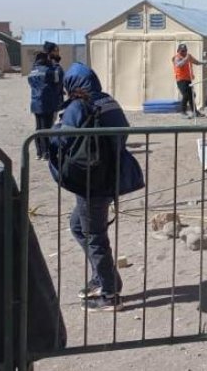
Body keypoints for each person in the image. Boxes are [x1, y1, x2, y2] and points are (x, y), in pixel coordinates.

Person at [51, 62, 138, 312]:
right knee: (78, 226)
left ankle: (110, 294)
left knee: (94, 235)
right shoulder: (109, 101)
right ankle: (103, 277)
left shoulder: (78, 106)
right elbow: (124, 133)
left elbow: (61, 139)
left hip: (91, 179)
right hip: (111, 175)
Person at [27, 51, 64, 159]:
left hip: (35, 102)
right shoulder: (49, 70)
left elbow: (30, 84)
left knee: (38, 127)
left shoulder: (32, 71)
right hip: (47, 102)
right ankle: (46, 152)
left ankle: (39, 152)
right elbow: (58, 81)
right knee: (46, 128)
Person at [172, 44, 203, 118]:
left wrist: (206, 62)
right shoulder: (176, 58)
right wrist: (186, 58)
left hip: (188, 79)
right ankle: (183, 112)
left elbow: (197, 62)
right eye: (182, 51)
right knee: (186, 95)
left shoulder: (188, 57)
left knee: (192, 95)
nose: (184, 52)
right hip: (181, 80)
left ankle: (195, 112)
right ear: (178, 51)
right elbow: (179, 65)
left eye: (185, 50)